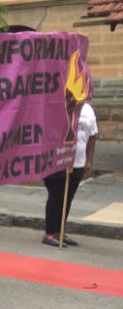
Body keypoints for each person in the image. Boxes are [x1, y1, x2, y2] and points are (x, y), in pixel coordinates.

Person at [43, 95, 97, 248]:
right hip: (57, 161)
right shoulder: (56, 106)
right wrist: (68, 110)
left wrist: (89, 161)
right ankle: (49, 233)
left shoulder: (88, 110)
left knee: (67, 198)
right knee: (56, 196)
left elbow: (93, 136)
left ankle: (59, 232)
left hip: (78, 162)